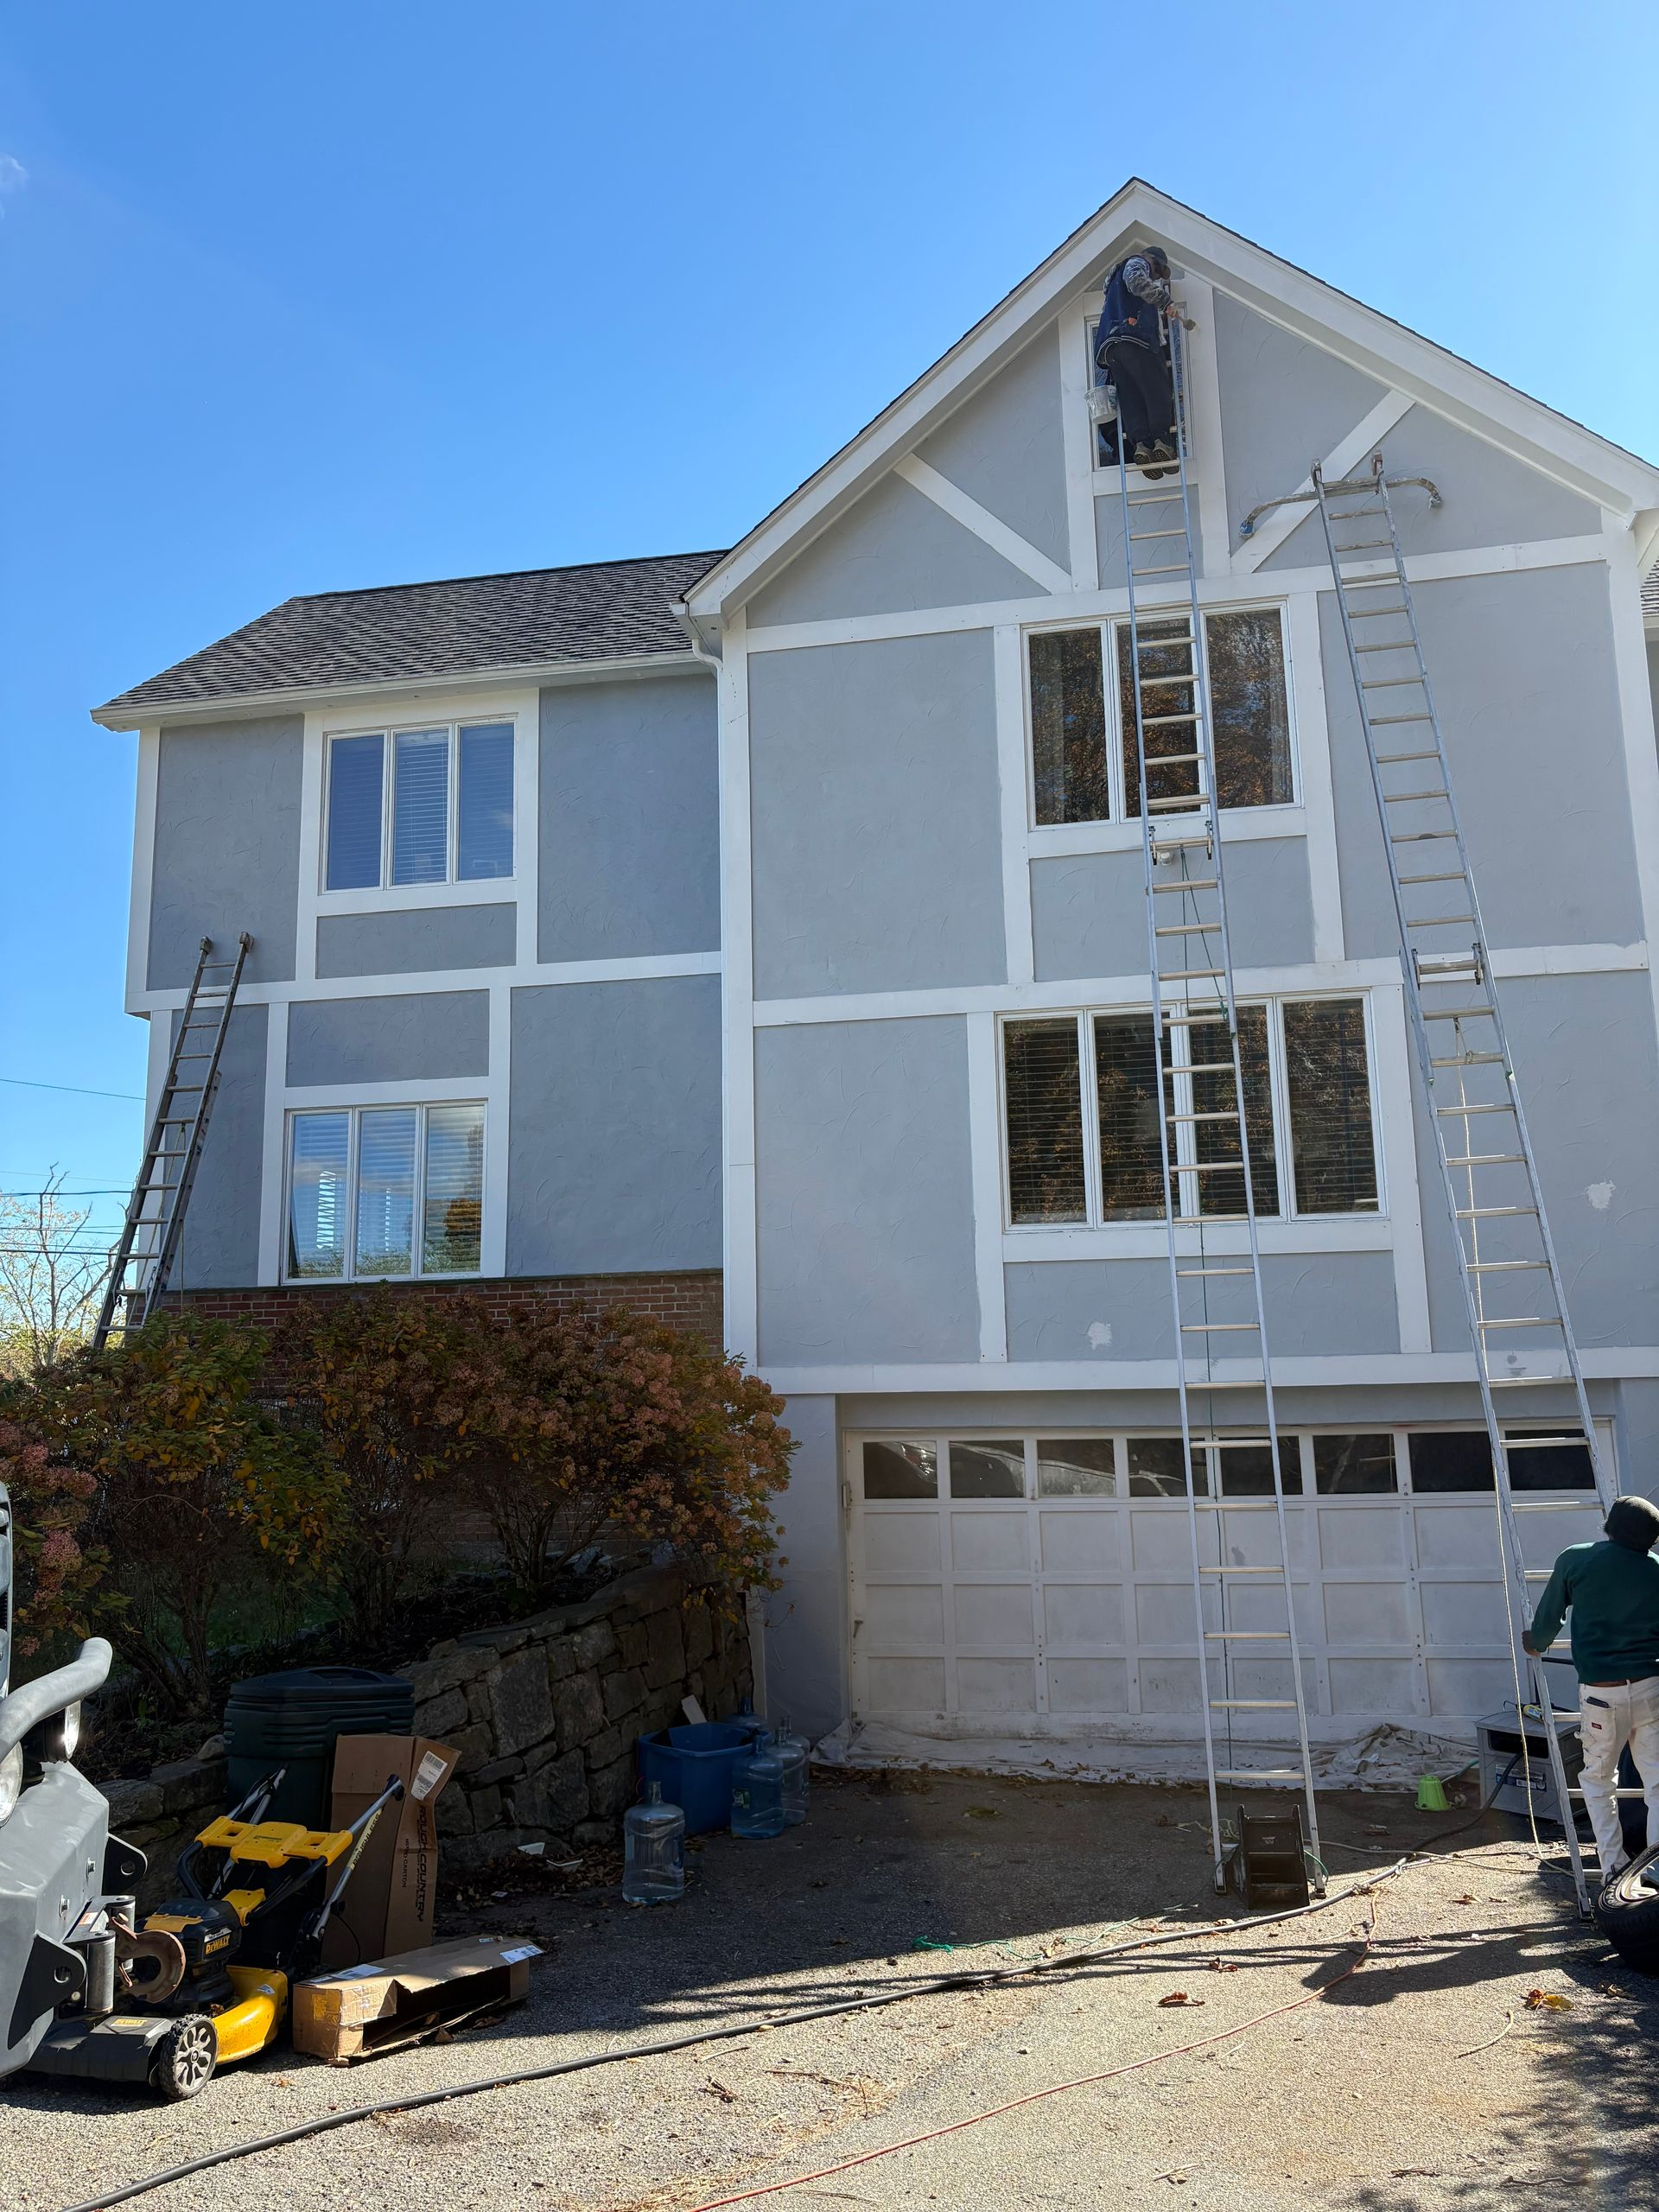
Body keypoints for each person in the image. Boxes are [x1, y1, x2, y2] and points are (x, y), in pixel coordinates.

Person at [1522, 1493, 1659, 1878]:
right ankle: (1656, 1869)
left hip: (1602, 1694)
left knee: (1598, 1782)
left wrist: (1535, 1641)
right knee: (1658, 1783)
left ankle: (1614, 1869)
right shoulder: (1656, 1569)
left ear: (1610, 1526)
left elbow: (1548, 1623)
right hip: (1651, 1688)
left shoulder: (1576, 1558)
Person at [1096, 247, 1178, 475]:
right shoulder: (1135, 263)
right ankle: (1163, 441)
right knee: (1157, 389)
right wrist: (1165, 301)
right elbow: (1136, 281)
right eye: (1158, 270)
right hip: (1134, 337)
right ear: (1151, 259)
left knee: (1131, 395)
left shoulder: (1112, 286)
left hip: (1112, 347)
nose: (1157, 277)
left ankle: (1142, 445)